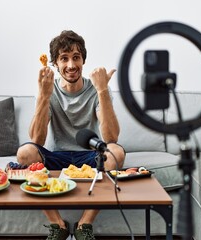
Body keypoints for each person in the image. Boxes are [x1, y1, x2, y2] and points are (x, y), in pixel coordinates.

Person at [17, 30, 126, 240]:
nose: (71, 65)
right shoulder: (48, 88)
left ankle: (84, 225)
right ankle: (58, 225)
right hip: (57, 156)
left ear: (83, 60)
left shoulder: (97, 89)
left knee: (115, 154)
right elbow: (36, 140)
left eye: (76, 57)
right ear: (55, 64)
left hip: (90, 156)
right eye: (64, 58)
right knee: (25, 154)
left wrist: (102, 90)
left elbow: (111, 137)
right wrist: (44, 95)